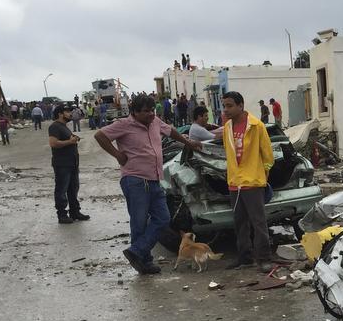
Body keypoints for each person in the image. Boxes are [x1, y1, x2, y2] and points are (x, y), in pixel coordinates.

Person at [94, 95, 203, 275]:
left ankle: (137, 251)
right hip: (135, 179)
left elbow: (171, 131)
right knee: (139, 222)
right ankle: (144, 262)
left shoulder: (155, 121)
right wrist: (117, 154)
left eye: (152, 110)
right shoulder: (124, 124)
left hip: (154, 178)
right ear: (134, 112)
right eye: (145, 111)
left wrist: (188, 142)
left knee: (163, 218)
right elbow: (100, 136)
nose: (150, 114)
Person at [209, 91, 279, 272]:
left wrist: (262, 176)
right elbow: (228, 153)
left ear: (241, 105)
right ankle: (245, 258)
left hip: (253, 182)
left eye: (230, 105)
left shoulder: (256, 126)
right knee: (240, 223)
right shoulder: (226, 128)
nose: (226, 110)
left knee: (259, 223)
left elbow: (268, 156)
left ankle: (264, 258)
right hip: (234, 183)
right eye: (224, 106)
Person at [48, 106, 90, 224]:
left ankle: (75, 212)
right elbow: (53, 143)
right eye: (67, 112)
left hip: (72, 163)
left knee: (73, 189)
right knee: (62, 189)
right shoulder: (54, 126)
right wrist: (70, 142)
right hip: (62, 164)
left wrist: (73, 138)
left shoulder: (63, 126)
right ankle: (62, 215)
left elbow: (67, 139)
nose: (70, 114)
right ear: (60, 114)